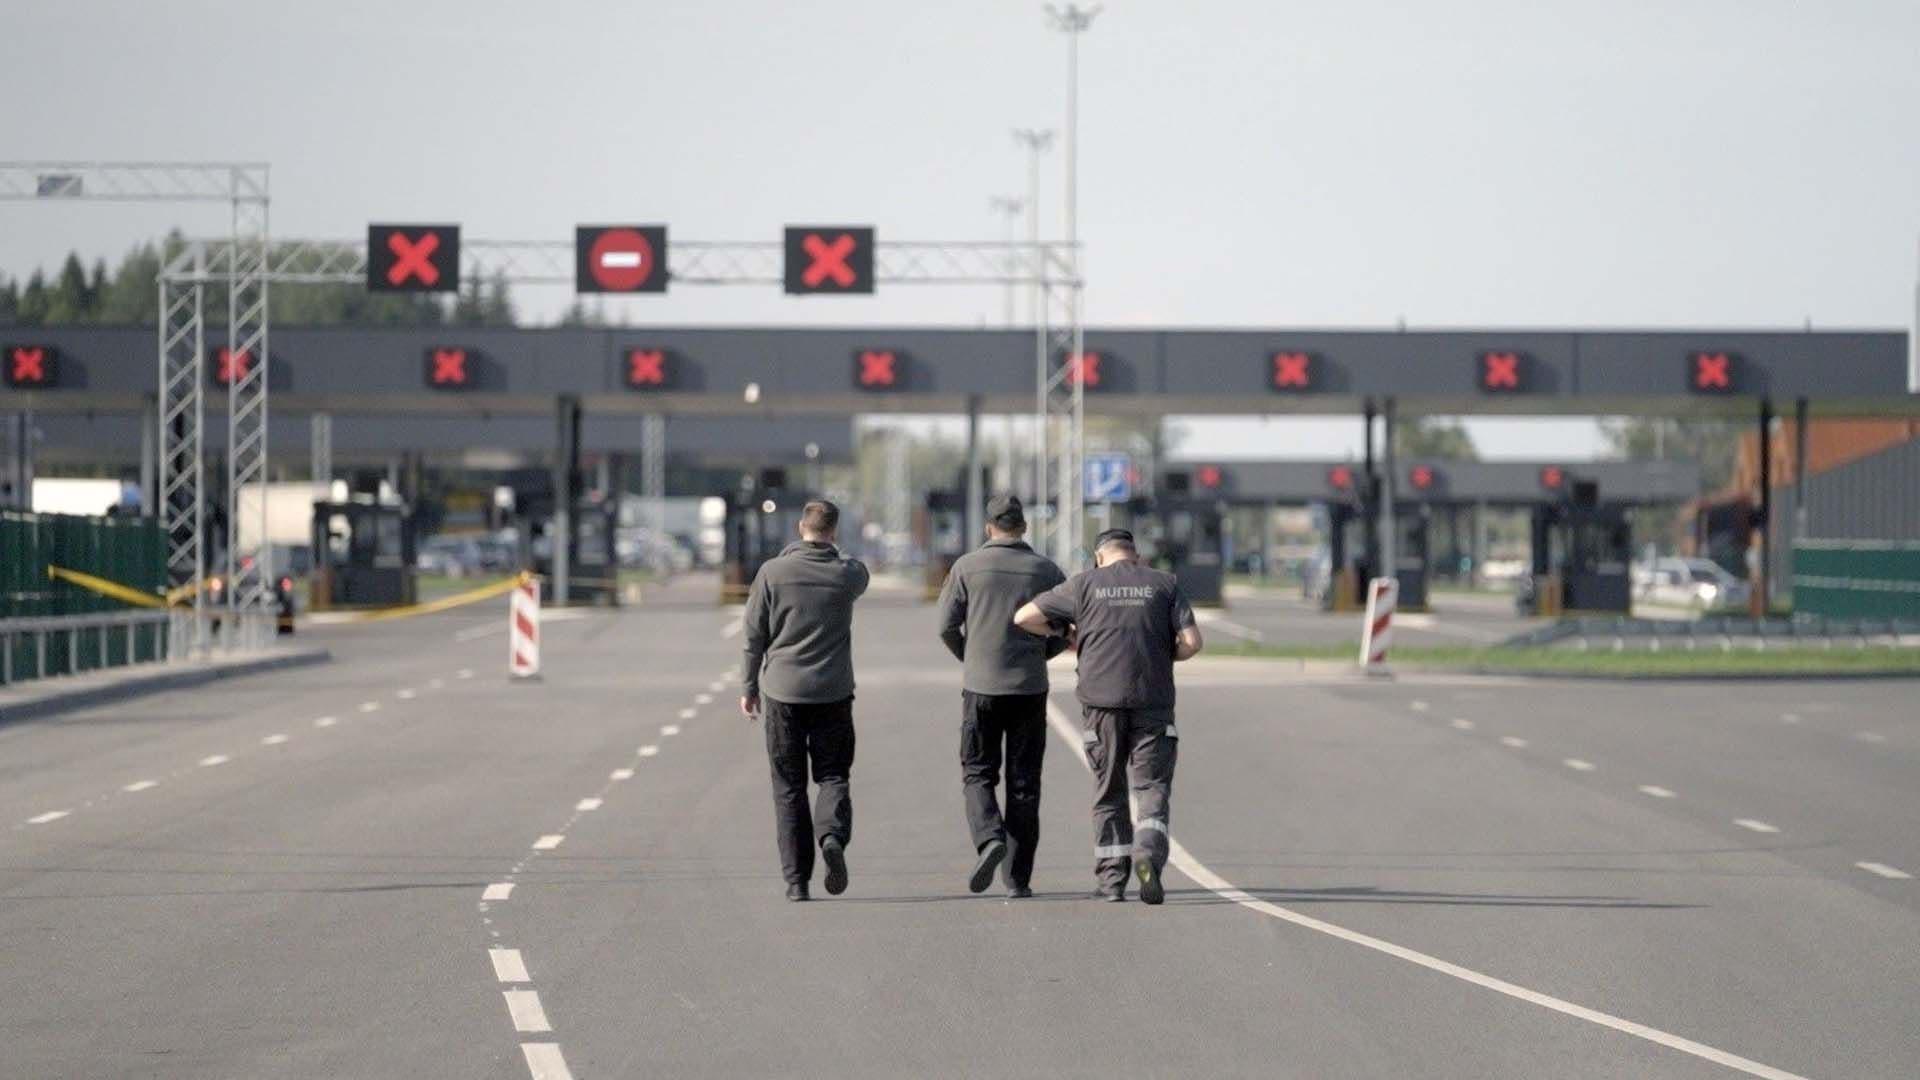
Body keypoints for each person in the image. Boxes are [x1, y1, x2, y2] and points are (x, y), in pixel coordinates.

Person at [1013, 528, 1203, 905]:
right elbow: (1193, 642)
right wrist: (1167, 655)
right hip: (1153, 701)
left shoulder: (1084, 584)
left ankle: (1112, 881)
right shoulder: (1164, 584)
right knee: (1151, 788)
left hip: (1101, 705)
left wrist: (1067, 635)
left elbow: (1024, 616)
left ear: (1100, 557)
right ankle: (1148, 851)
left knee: (1109, 791)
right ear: (1134, 555)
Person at [934, 494, 1068, 898]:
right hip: (1029, 687)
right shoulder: (1046, 570)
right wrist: (1043, 654)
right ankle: (1018, 879)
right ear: (1024, 527)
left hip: (981, 687)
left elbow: (945, 625)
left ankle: (989, 836)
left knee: (977, 772)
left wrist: (970, 657)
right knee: (1025, 783)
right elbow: (1066, 627)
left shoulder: (967, 567)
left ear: (988, 527)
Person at [739, 499, 871, 902]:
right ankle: (830, 835)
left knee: (789, 787)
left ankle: (797, 882)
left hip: (782, 693)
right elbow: (857, 568)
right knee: (833, 775)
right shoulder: (847, 573)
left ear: (800, 528)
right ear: (834, 532)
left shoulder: (772, 573)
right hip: (833, 692)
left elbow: (753, 635)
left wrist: (749, 687)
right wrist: (833, 550)